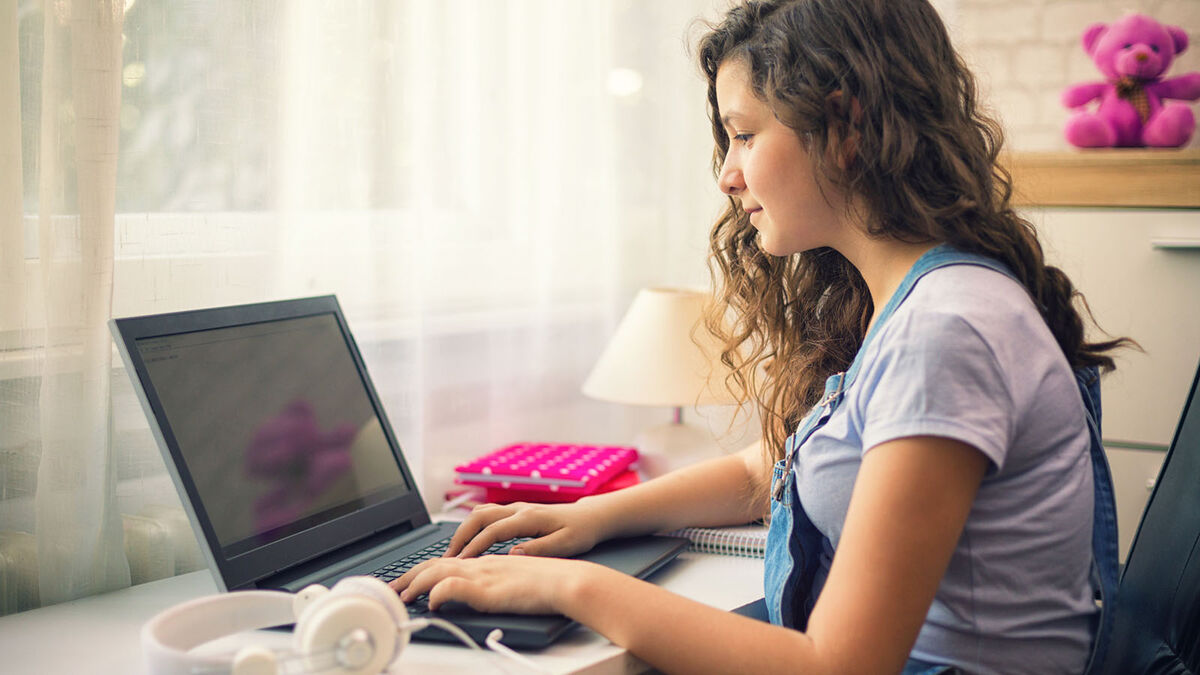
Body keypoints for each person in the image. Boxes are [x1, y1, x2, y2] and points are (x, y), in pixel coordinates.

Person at [391, 1, 1130, 672]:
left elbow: (838, 665)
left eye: (744, 135)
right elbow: (768, 469)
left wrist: (567, 584)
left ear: (844, 127)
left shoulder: (947, 331)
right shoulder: (917, 301)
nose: (727, 175)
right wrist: (589, 517)